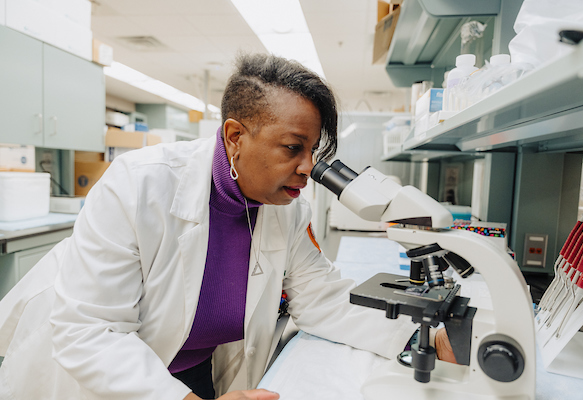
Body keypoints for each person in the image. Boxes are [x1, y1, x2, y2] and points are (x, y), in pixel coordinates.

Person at [0, 53, 454, 400]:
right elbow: (89, 331)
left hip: (194, 370)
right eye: (293, 148)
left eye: (312, 150)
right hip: (105, 377)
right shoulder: (140, 184)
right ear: (236, 137)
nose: (307, 168)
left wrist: (422, 337)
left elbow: (322, 300)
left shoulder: (287, 208)